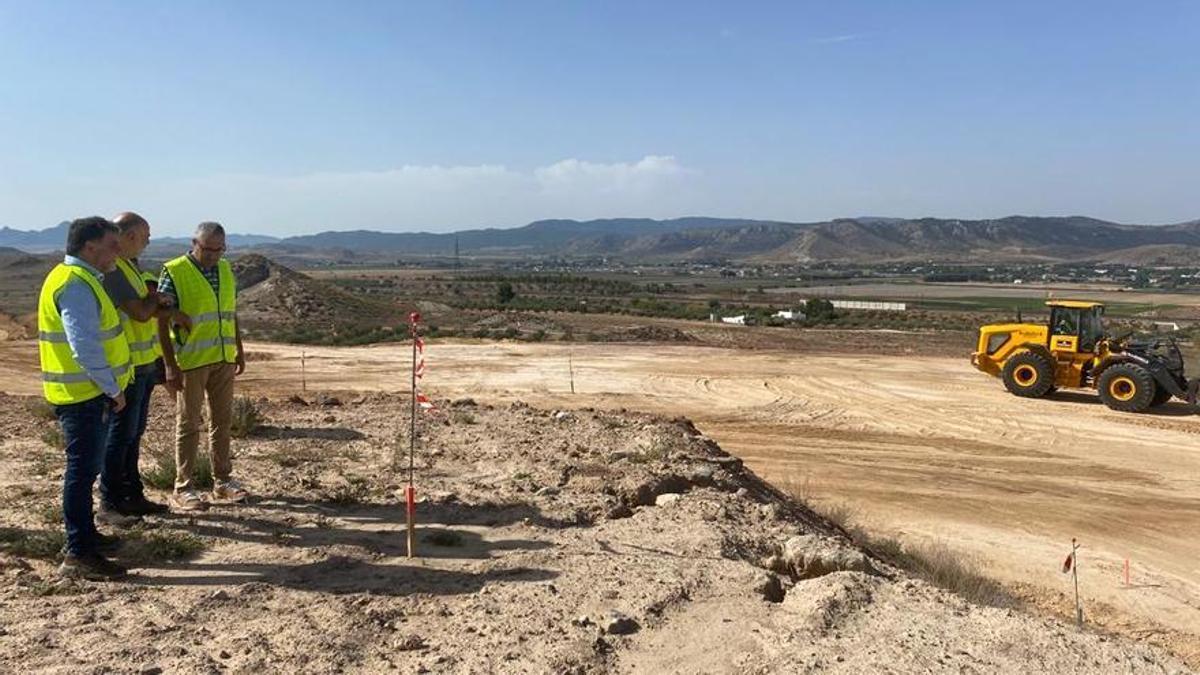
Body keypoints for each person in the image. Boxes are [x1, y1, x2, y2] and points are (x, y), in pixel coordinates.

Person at [37, 217, 132, 580]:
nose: (118, 252)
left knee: (86, 469)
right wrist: (113, 388)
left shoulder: (78, 279)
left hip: (84, 394)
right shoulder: (76, 284)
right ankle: (78, 554)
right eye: (112, 245)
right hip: (84, 395)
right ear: (90, 247)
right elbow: (85, 347)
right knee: (81, 471)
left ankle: (86, 537)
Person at [157, 221, 248, 511]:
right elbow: (160, 319)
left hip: (222, 358)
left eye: (219, 249)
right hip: (191, 361)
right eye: (207, 248)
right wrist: (169, 365)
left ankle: (222, 481)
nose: (213, 255)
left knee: (222, 423)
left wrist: (238, 349)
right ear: (194, 243)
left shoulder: (224, 268)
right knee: (188, 424)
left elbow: (229, 312)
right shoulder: (174, 270)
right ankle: (183, 486)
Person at [97, 212, 177, 524]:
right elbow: (141, 314)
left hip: (142, 364)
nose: (148, 241)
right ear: (130, 236)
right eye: (145, 235)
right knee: (121, 435)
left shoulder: (130, 267)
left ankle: (132, 494)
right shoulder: (115, 270)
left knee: (133, 434)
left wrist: (154, 300)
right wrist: (158, 301)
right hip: (126, 366)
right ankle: (111, 502)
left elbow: (145, 307)